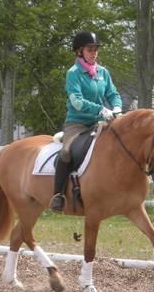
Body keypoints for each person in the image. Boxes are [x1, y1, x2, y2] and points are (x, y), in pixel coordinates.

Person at [49, 31, 122, 212]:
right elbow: (77, 102)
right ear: (80, 51)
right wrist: (100, 109)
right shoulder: (73, 73)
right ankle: (58, 195)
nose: (94, 53)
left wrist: (117, 108)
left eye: (96, 49)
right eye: (90, 49)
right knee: (66, 152)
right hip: (77, 124)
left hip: (101, 123)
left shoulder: (103, 72)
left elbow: (113, 94)